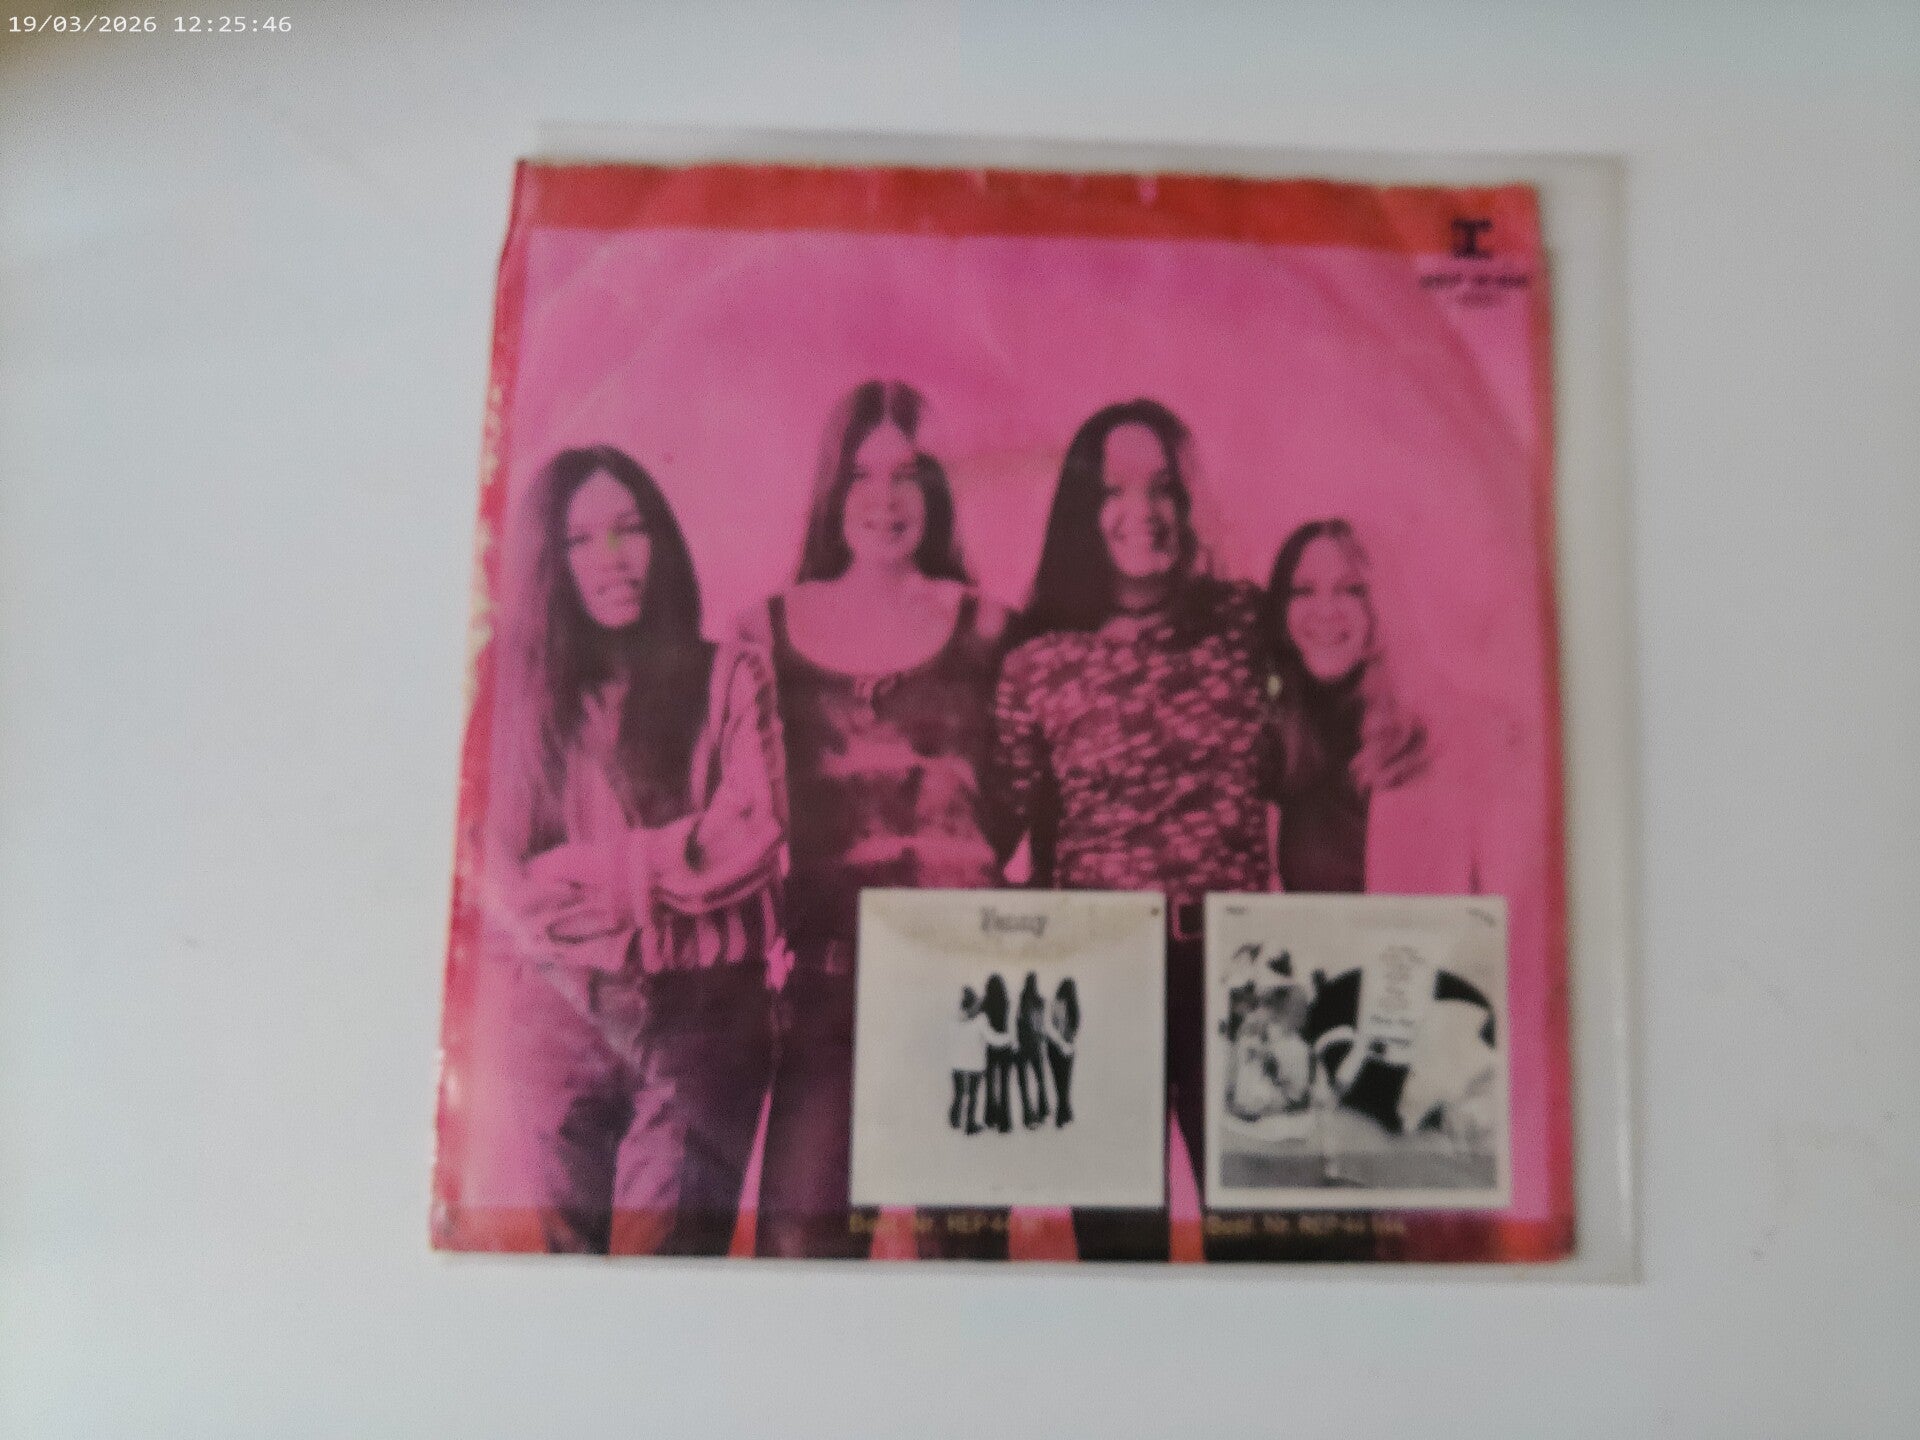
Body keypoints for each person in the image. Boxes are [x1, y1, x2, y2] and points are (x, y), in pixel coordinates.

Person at [481, 444, 785, 1255]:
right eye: (580, 540)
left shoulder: (731, 677)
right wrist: (667, 868)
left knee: (666, 1273)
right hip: (555, 1019)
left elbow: (751, 833)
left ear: (662, 540)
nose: (613, 557)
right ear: (548, 562)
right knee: (567, 1277)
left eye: (630, 529)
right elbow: (500, 878)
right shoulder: (513, 699)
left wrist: (580, 872)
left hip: (703, 1018)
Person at [993, 398, 1271, 1260]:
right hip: (1102, 974)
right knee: (1119, 1255)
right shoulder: (1037, 659)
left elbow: (1340, 723)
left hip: (1241, 973)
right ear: (1082, 507)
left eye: (1164, 488)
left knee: (1265, 1252)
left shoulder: (1248, 624)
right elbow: (992, 831)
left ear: (1190, 501)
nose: (1142, 512)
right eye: (1113, 490)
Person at [742, 379, 1014, 1259]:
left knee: (963, 1258)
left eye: (909, 474)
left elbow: (1024, 804)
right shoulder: (763, 633)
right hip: (827, 989)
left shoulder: (994, 629)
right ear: (833, 488)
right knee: (800, 1249)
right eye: (862, 474)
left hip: (962, 988)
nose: (885, 498)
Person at [1014, 972, 1051, 1128]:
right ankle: (1042, 1111)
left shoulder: (1021, 1000)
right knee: (1040, 1079)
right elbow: (1039, 1025)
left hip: (1021, 1047)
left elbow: (1017, 1022)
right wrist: (1041, 1037)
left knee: (1024, 1083)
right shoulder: (1039, 1001)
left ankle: (1027, 1116)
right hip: (1035, 1046)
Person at [980, 973, 1015, 1135]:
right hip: (1006, 1047)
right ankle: (1005, 1123)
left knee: (990, 1085)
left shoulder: (984, 1004)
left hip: (990, 1048)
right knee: (1004, 1085)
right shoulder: (1007, 1002)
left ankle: (990, 1118)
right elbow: (1011, 1025)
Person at [949, 986, 986, 1133]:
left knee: (958, 1093)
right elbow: (989, 1037)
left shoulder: (956, 1019)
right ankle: (970, 1124)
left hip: (957, 1062)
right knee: (972, 1095)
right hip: (974, 1063)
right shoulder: (980, 1020)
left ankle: (954, 1120)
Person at [1044, 977, 1080, 1128]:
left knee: (1058, 1082)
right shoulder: (1074, 1005)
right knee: (1066, 1081)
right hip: (1068, 1048)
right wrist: (1067, 1043)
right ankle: (1065, 1112)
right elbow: (1075, 1028)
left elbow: (1049, 1027)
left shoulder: (1053, 1003)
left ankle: (1063, 1113)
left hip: (1053, 1048)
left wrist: (1060, 1042)